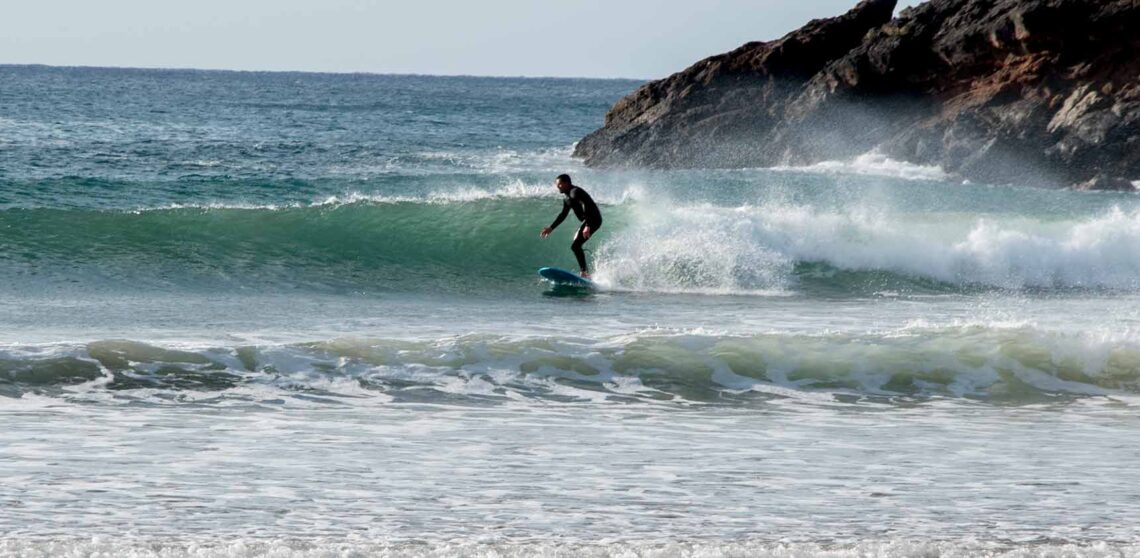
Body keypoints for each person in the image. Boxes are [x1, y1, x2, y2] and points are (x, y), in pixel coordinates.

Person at [540, 174, 603, 278]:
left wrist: (588, 225)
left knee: (575, 246)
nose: (557, 186)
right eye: (557, 184)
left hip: (593, 219)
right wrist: (551, 228)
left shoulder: (575, 192)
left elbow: (585, 205)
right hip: (589, 220)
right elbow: (563, 214)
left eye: (559, 184)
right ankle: (585, 272)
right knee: (576, 245)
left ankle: (585, 273)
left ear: (566, 183)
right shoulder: (567, 198)